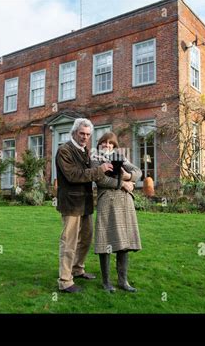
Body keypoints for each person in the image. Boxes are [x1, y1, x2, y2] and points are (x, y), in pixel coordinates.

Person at [55, 118, 113, 293]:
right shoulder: (64, 151)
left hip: (86, 202)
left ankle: (77, 269)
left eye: (88, 134)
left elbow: (91, 171)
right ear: (74, 132)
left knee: (86, 239)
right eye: (82, 133)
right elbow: (73, 175)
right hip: (71, 204)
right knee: (69, 242)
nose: (85, 137)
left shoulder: (85, 151)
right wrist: (99, 170)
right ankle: (65, 281)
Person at [91, 132, 142, 293]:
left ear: (114, 145)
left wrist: (129, 176)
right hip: (107, 202)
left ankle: (123, 281)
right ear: (99, 144)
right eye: (104, 143)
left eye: (110, 143)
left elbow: (138, 172)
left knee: (123, 243)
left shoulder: (120, 157)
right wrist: (123, 184)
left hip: (125, 203)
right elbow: (101, 180)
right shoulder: (95, 158)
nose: (107, 146)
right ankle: (106, 282)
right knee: (105, 240)